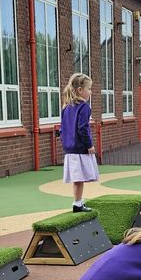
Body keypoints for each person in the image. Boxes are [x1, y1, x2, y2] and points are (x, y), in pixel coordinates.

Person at [60, 72, 97, 212]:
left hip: (69, 148)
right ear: (80, 90)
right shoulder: (84, 107)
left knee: (77, 179)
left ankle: (77, 201)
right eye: (89, 89)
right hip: (80, 148)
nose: (91, 92)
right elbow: (83, 128)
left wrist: (65, 143)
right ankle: (77, 203)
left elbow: (63, 128)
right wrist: (90, 145)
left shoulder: (66, 107)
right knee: (80, 179)